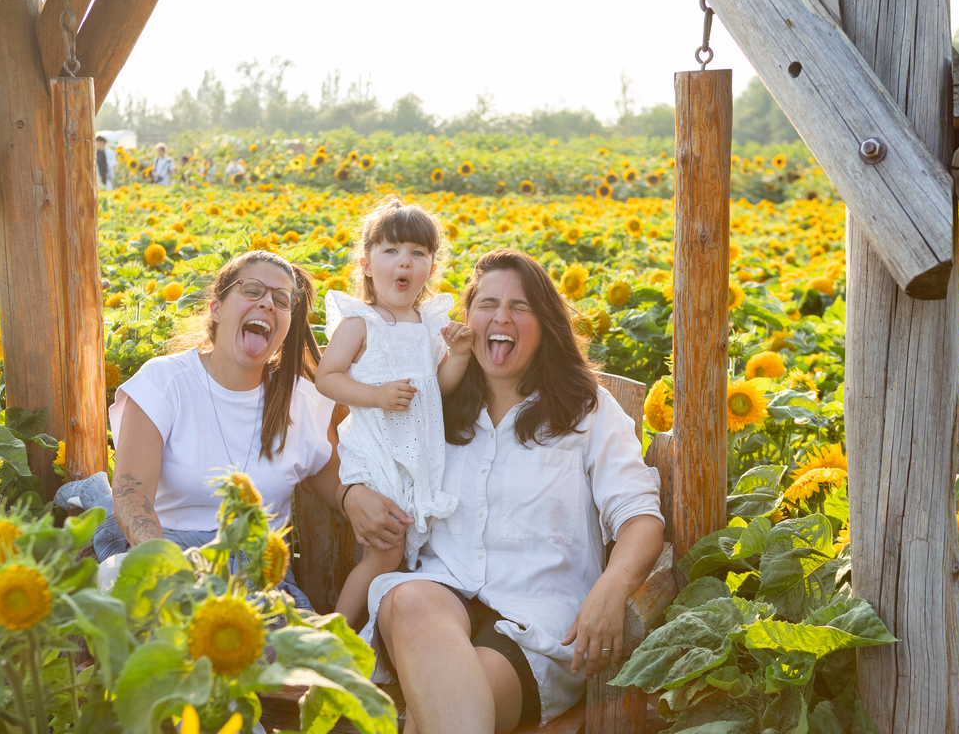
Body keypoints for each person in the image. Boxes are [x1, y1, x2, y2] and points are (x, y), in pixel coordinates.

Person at [342, 250, 664, 733]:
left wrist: (612, 587)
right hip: (436, 596)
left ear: (547, 325)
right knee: (409, 601)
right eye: (488, 304)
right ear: (466, 320)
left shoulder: (587, 411)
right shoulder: (433, 403)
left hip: (536, 619)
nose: (501, 318)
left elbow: (639, 517)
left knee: (450, 705)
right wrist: (351, 494)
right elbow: (358, 445)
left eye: (520, 306)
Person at [54, 251, 399, 611]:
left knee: (292, 646)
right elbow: (131, 494)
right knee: (129, 600)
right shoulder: (165, 382)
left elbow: (338, 483)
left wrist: (354, 497)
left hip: (260, 581)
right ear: (216, 308)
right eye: (252, 291)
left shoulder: (300, 402)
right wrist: (169, 571)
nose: (267, 303)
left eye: (281, 300)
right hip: (167, 554)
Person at [317, 198, 473, 627]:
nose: (405, 261)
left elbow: (437, 389)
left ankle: (381, 633)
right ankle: (336, 632)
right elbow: (327, 377)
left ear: (430, 268)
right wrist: (376, 395)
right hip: (376, 450)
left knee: (409, 548)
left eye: (417, 253)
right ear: (366, 265)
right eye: (391, 251)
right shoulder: (360, 322)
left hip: (419, 454)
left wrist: (459, 355)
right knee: (385, 550)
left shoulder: (429, 325)